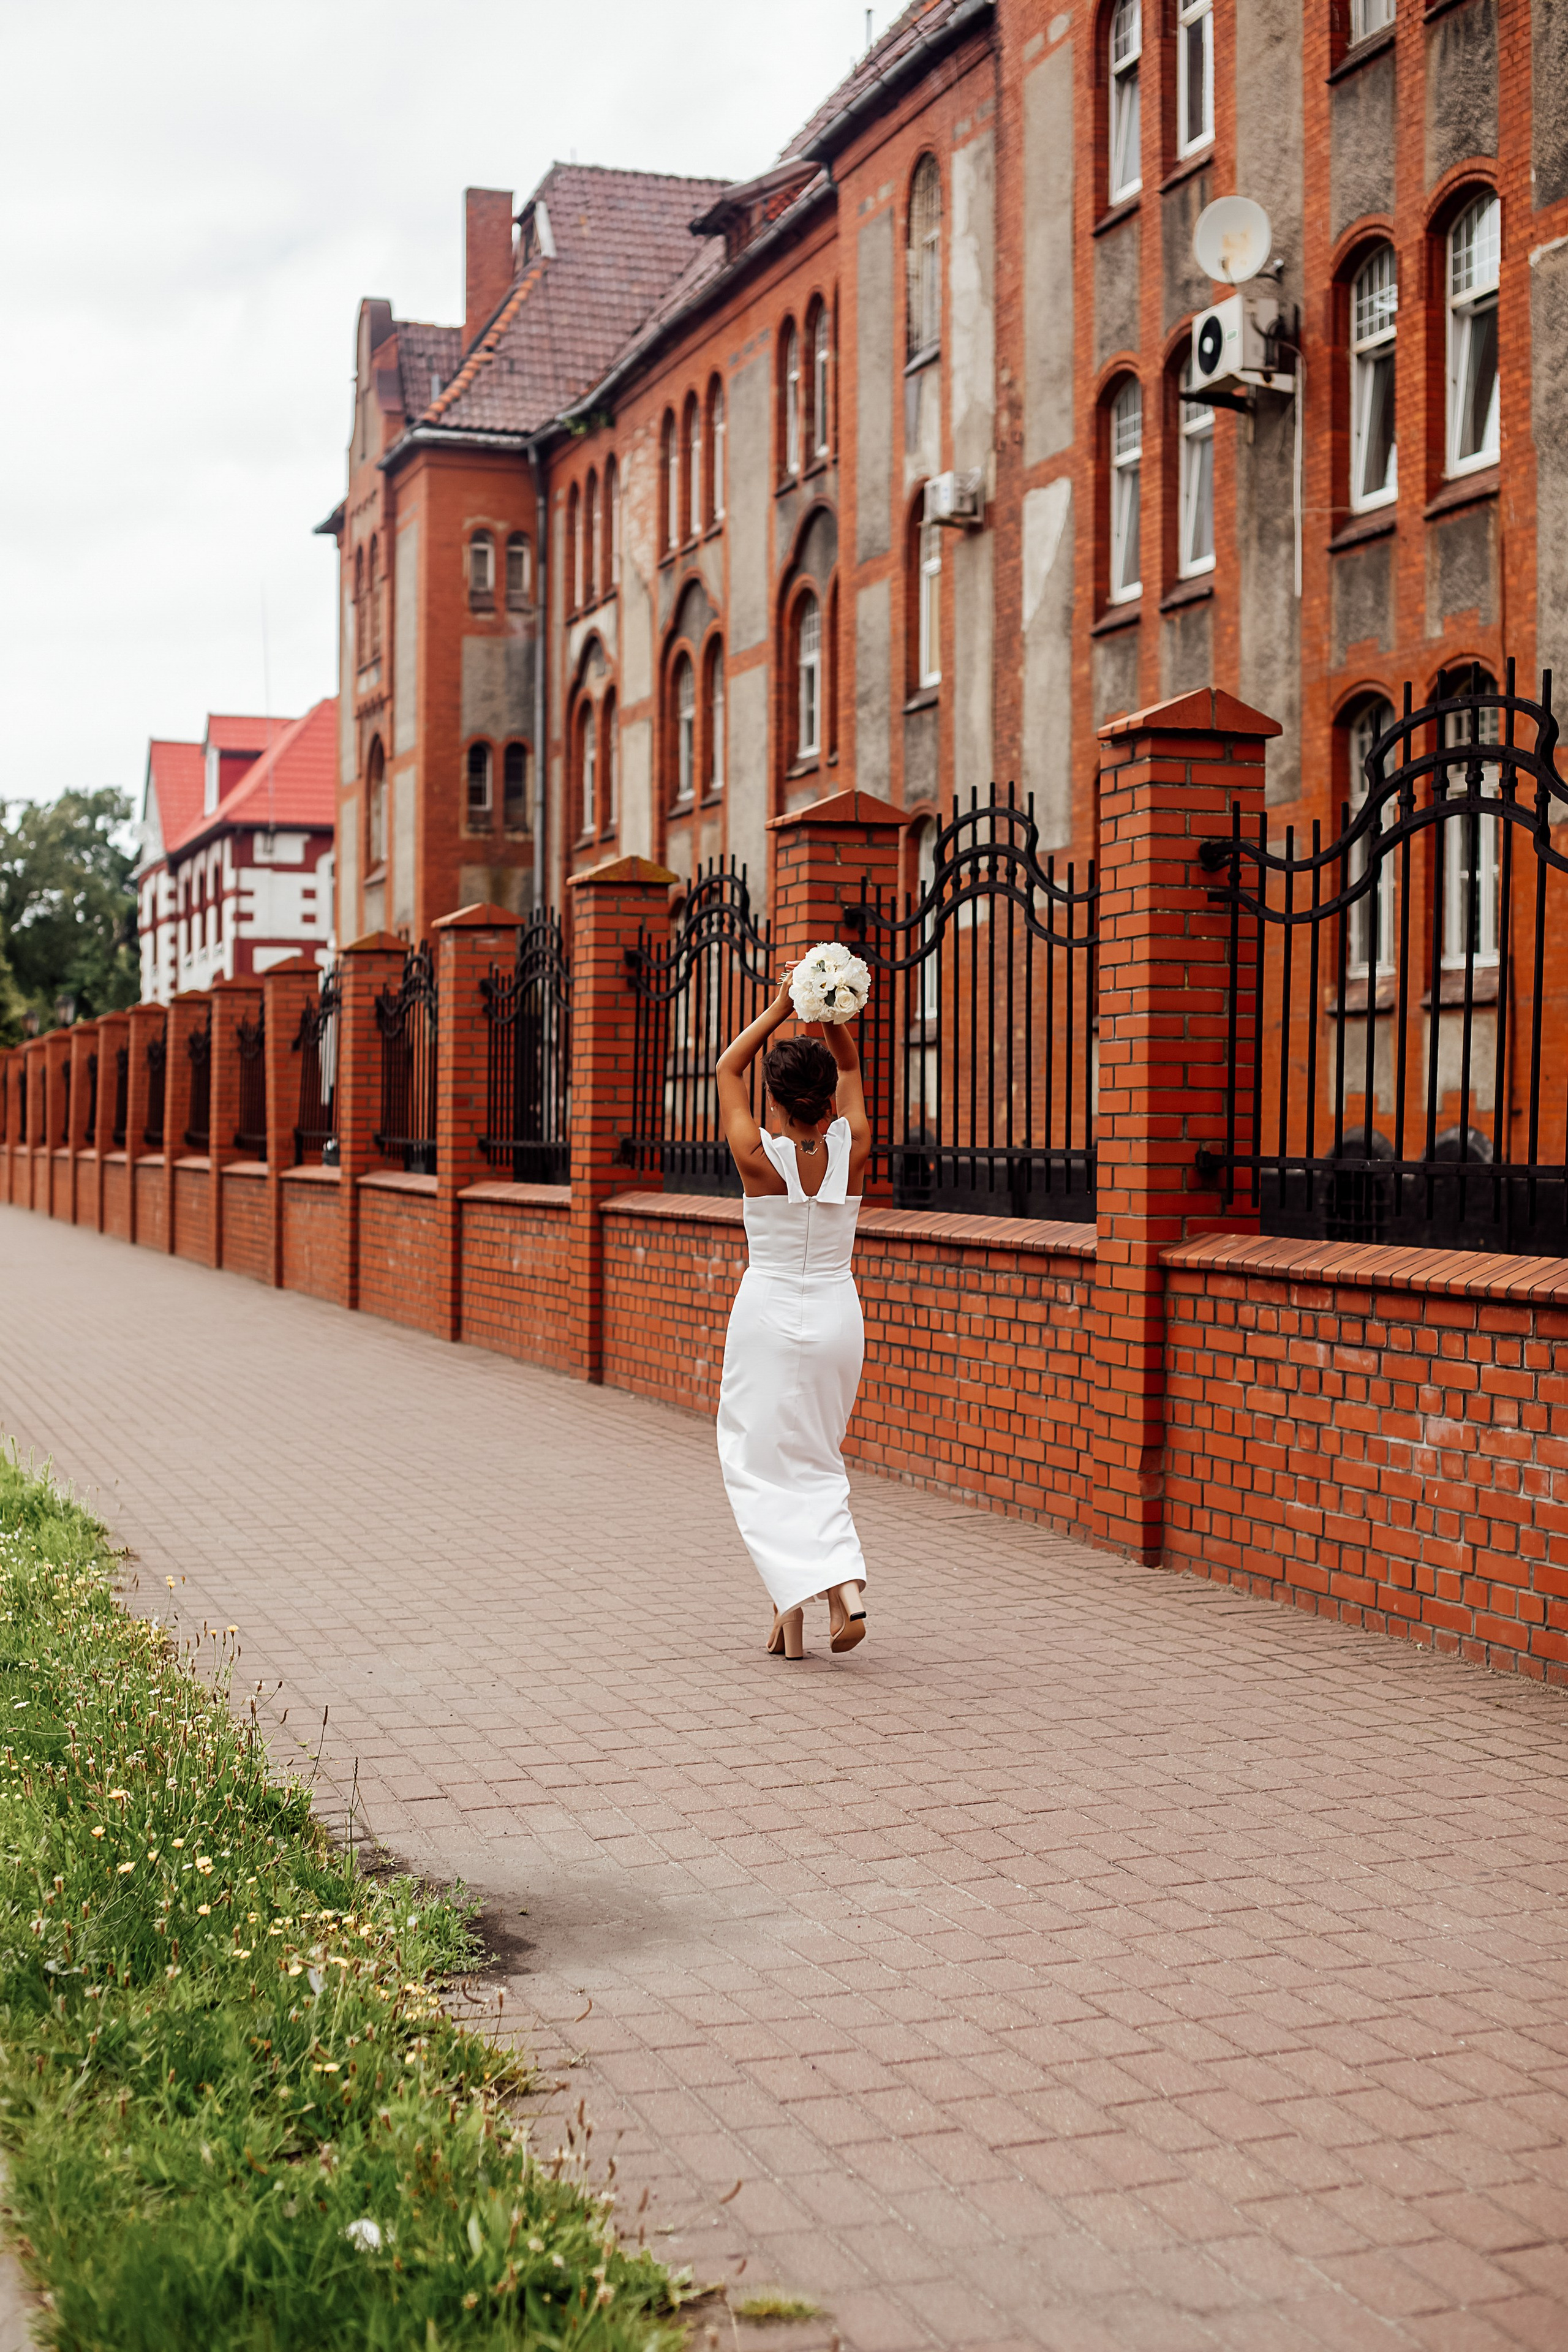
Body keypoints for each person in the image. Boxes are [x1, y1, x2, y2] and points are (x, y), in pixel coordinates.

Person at [714, 973, 871, 1659]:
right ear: (829, 1102)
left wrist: (784, 1004)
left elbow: (728, 1067)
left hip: (768, 1316)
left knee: (754, 1461)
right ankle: (829, 1594)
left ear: (774, 1105)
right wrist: (829, 1008)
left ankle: (819, 1587)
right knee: (816, 1456)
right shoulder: (853, 1145)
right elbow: (851, 1065)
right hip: (837, 1313)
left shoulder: (758, 1157)